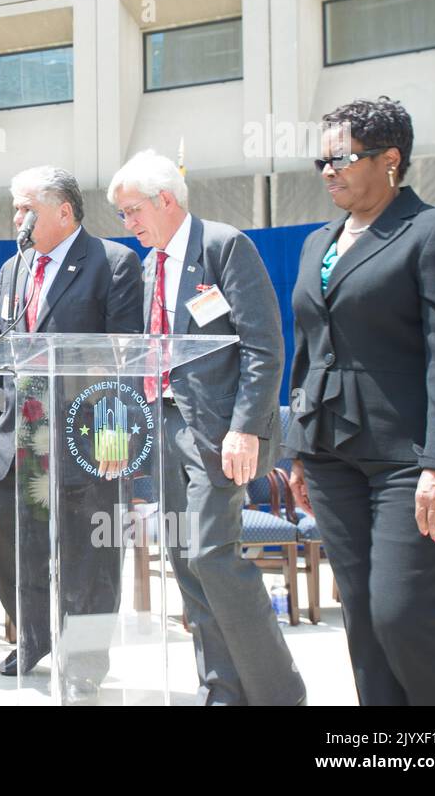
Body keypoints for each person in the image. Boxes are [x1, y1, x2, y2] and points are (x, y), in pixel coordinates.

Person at [285, 97, 435, 705]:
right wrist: (298, 449)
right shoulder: (319, 240)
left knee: (403, 616)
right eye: (321, 161)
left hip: (410, 459)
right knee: (365, 622)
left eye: (341, 158)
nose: (328, 171)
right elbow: (307, 349)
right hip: (331, 455)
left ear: (390, 160)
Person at [110, 149, 305, 706]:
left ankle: (279, 692)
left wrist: (245, 428)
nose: (128, 224)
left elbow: (265, 347)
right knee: (185, 560)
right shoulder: (147, 267)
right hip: (166, 426)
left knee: (210, 554)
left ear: (165, 200)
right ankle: (221, 687)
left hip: (220, 434)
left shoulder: (223, 246)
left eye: (132, 212)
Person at [0, 167, 142, 700]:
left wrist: (117, 439)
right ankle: (34, 639)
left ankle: (85, 660)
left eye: (26, 209)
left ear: (63, 212)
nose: (16, 219)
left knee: (88, 557)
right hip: (18, 433)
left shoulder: (113, 264)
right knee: (8, 540)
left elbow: (125, 360)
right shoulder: (12, 267)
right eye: (15, 208)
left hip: (86, 436)